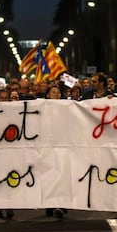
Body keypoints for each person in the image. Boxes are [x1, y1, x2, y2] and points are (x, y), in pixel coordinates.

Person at [44, 85, 68, 220]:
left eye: (58, 92)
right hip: (47, 148)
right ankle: (51, 204)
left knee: (62, 174)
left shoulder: (67, 107)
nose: (56, 94)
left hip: (63, 146)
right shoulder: (40, 107)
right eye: (53, 92)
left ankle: (61, 205)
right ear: (47, 95)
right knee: (50, 176)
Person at [0, 89, 15, 219]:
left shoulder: (14, 111)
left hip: (11, 151)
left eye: (6, 98)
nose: (4, 100)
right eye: (1, 98)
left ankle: (9, 205)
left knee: (10, 178)